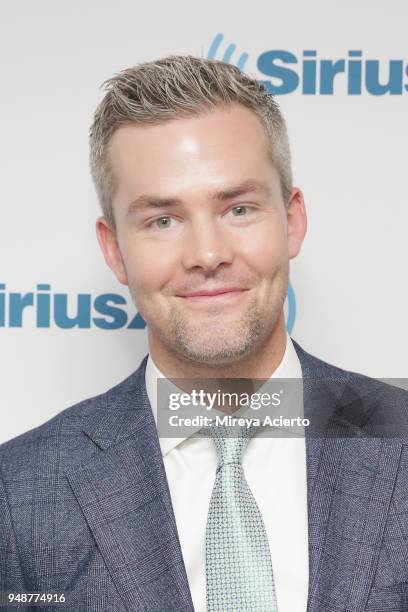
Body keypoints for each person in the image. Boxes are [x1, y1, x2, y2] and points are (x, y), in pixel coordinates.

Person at [0, 55, 406, 612]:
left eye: (238, 208)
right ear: (115, 249)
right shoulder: (18, 495)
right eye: (162, 220)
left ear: (292, 221)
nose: (208, 256)